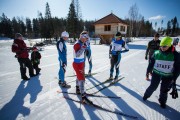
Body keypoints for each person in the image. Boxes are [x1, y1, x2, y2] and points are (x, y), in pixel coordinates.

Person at [143, 36, 180, 108]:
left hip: (168, 76)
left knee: (164, 90)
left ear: (169, 45)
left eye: (164, 46)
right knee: (153, 87)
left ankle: (162, 101)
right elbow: (151, 63)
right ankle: (146, 95)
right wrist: (148, 71)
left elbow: (178, 68)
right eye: (161, 46)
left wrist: (174, 78)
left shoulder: (176, 55)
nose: (162, 48)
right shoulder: (156, 53)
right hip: (156, 74)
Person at [72, 31, 92, 104]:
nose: (86, 40)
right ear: (82, 37)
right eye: (85, 38)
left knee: (79, 76)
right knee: (82, 79)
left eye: (87, 38)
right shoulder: (77, 44)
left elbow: (87, 42)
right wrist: (83, 47)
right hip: (77, 64)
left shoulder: (82, 42)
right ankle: (83, 95)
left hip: (81, 63)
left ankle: (77, 89)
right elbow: (77, 54)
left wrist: (85, 44)